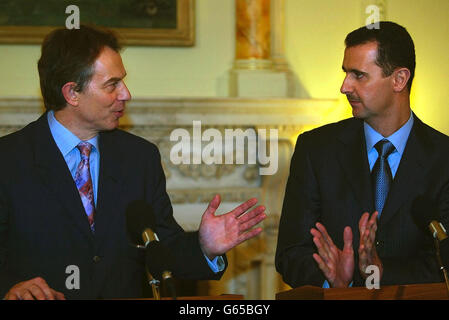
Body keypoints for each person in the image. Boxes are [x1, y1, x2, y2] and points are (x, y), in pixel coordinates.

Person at [0, 25, 266, 300]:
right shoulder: (8, 161)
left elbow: (162, 249)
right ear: (72, 93)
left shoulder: (139, 158)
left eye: (123, 81)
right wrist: (9, 288)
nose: (126, 94)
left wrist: (205, 247)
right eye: (112, 85)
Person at [275, 21, 449, 289]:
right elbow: (290, 253)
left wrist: (380, 272)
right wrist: (330, 280)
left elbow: (443, 262)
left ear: (399, 79)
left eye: (358, 75)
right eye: (345, 73)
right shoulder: (316, 149)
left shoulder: (443, 157)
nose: (344, 86)